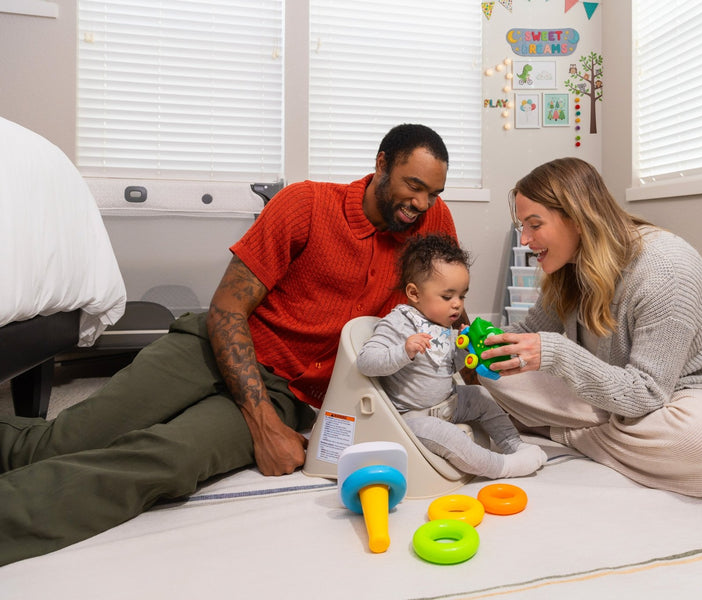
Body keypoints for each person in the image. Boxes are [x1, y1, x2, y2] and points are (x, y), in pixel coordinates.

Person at [0, 124, 459, 566]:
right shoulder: (305, 204)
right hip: (212, 345)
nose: (420, 203)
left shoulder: (432, 223)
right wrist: (260, 424)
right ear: (381, 164)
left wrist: (474, 357)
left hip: (288, 390)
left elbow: (446, 308)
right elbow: (226, 309)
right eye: (412, 186)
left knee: (171, 459)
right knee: (74, 436)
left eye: (432, 193)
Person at [477, 157, 702, 499]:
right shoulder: (567, 266)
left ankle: (562, 433)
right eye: (522, 226)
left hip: (691, 395)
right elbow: (528, 331)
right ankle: (617, 436)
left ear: (577, 218)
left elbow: (648, 395)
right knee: (492, 376)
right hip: (611, 394)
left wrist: (557, 352)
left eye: (534, 225)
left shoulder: (665, 269)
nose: (525, 239)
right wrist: (478, 343)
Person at [356, 233, 547, 479]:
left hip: (448, 403)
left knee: (481, 395)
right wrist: (403, 351)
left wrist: (464, 351)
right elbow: (366, 361)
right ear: (414, 294)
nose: (457, 304)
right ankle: (501, 467)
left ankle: (514, 444)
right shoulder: (398, 323)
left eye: (462, 295)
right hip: (412, 418)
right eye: (448, 297)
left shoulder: (442, 323)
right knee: (451, 439)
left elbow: (446, 368)